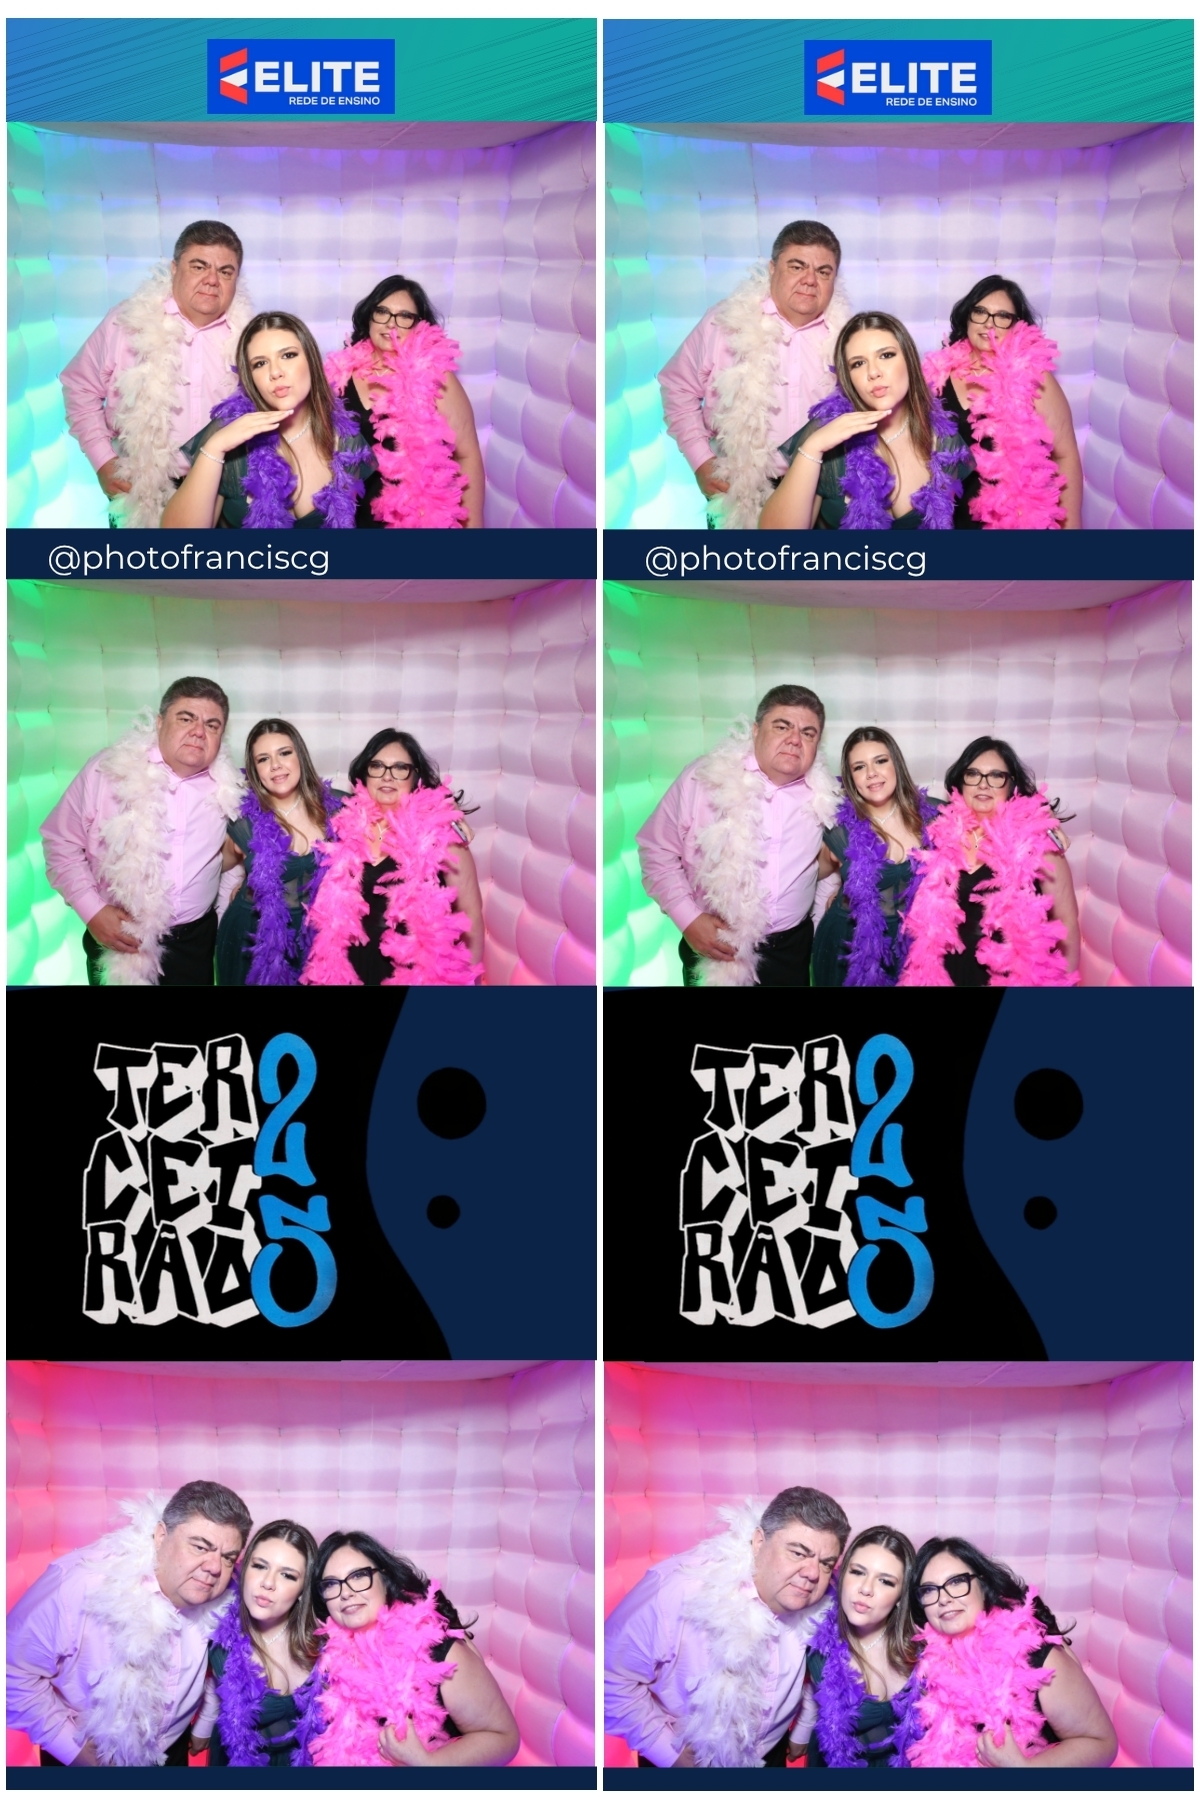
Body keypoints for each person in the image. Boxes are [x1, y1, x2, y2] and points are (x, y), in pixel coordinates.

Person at [6, 1481, 251, 1766]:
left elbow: (219, 1661)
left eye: (228, 1557)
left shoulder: (225, 1593)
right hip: (91, 1753)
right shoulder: (81, 1583)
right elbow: (11, 1670)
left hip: (171, 1750)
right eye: (199, 1547)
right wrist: (69, 1747)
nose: (215, 1567)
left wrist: (205, 1721)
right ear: (161, 1535)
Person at [604, 1487, 850, 1768]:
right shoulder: (679, 1590)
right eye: (797, 1553)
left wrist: (803, 1727)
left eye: (826, 1563)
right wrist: (666, 1752)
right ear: (759, 1542)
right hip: (690, 1759)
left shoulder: (822, 1600)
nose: (813, 1573)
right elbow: (609, 1677)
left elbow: (817, 1669)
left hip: (769, 1753)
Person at [40, 677, 242, 986]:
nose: (199, 731)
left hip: (197, 943)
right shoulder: (108, 769)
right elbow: (60, 842)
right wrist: (92, 912)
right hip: (121, 939)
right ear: (159, 722)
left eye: (212, 725)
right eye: (186, 718)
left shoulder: (230, 789)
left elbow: (227, 859)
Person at [636, 684, 840, 987]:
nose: (795, 739)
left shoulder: (826, 797)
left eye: (808, 733)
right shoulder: (703, 778)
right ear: (755, 731)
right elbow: (656, 850)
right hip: (716, 947)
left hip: (793, 950)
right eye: (782, 726)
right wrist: (688, 919)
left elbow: (824, 865)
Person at [657, 221, 850, 526]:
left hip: (821, 491)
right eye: (796, 266)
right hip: (738, 489)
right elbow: (677, 387)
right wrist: (700, 460)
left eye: (823, 272)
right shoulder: (724, 322)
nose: (810, 280)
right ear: (772, 269)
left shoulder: (848, 338)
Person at [60, 221, 253, 527]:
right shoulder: (126, 322)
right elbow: (79, 388)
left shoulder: (251, 338)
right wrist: (102, 460)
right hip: (140, 490)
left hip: (224, 493)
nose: (211, 280)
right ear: (174, 269)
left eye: (225, 271)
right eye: (199, 266)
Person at [308, 1531, 519, 1767]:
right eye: (331, 1584)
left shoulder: (439, 1651)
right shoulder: (326, 1661)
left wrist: (427, 1764)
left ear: (385, 1579)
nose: (346, 1593)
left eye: (358, 1576)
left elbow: (504, 1738)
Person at [908, 1538, 1117, 1768]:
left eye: (957, 1581)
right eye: (929, 1590)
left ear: (982, 1585)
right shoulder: (924, 1666)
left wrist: (1023, 1770)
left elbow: (1102, 1744)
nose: (944, 1599)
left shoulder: (1037, 1656)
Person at [301, 730, 484, 986]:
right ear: (365, 774)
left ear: (415, 777)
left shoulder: (444, 835)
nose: (387, 776)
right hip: (351, 967)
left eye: (400, 768)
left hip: (415, 973)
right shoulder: (344, 825)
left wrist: (470, 984)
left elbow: (471, 915)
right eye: (377, 766)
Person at [898, 737, 1080, 987]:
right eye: (973, 774)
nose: (983, 784)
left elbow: (1067, 924)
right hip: (947, 974)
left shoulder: (1039, 843)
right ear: (961, 783)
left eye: (996, 776)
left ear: (1011, 785)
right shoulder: (941, 835)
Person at [761, 312, 971, 530]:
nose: (873, 372)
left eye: (886, 355)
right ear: (848, 377)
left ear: (909, 361)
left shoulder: (944, 440)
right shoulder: (826, 433)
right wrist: (813, 447)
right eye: (858, 363)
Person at [162, 313, 372, 528]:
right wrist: (215, 447)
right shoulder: (228, 433)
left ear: (311, 361)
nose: (275, 372)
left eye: (288, 355)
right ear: (250, 377)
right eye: (260, 363)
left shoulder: (346, 440)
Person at [924, 276, 1083, 530]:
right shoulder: (938, 374)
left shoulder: (1035, 378)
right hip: (947, 517)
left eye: (1002, 316)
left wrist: (1072, 528)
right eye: (980, 312)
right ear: (967, 316)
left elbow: (1066, 455)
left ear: (1017, 325)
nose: (989, 323)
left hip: (1010, 522)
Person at [326, 276, 484, 528]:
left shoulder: (437, 378)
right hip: (347, 517)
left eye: (405, 316)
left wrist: (474, 529)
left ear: (419, 325)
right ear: (369, 316)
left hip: (412, 521)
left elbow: (468, 456)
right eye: (382, 312)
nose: (391, 323)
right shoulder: (340, 374)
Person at [190, 1520, 326, 1767]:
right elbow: (215, 1685)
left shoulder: (326, 1643)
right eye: (260, 1566)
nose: (268, 1582)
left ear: (303, 1591)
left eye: (287, 1575)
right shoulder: (218, 1635)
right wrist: (203, 1725)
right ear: (244, 1570)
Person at [217, 719, 341, 986]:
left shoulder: (337, 807)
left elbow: (384, 828)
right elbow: (208, 866)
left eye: (284, 753)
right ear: (255, 770)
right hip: (252, 937)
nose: (275, 765)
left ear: (300, 756)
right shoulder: (242, 820)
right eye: (263, 759)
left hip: (317, 939)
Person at [812, 728, 939, 987]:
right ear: (851, 778)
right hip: (848, 945)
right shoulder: (838, 828)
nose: (871, 773)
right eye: (859, 767)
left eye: (880, 761)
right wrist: (843, 888)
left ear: (896, 764)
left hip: (912, 946)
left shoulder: (933, 815)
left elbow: (980, 834)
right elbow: (807, 875)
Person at [799, 1526, 925, 1769]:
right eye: (857, 1572)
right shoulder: (816, 1645)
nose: (866, 1588)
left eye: (885, 1581)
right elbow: (810, 1696)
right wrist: (800, 1733)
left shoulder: (925, 1648)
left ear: (901, 1596)